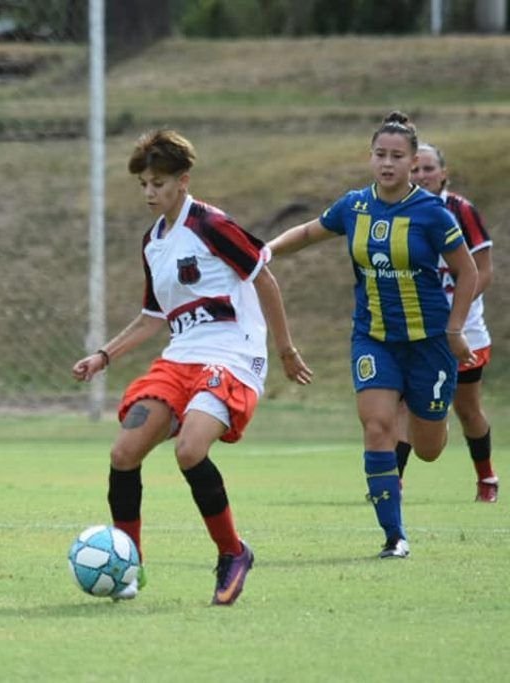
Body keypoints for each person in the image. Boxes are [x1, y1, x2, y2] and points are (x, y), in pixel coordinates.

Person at [72, 129, 312, 605]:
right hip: (181, 357)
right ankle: (128, 566)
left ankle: (233, 552)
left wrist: (285, 349)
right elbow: (151, 317)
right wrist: (103, 356)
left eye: (158, 183)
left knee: (190, 450)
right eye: (143, 184)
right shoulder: (152, 243)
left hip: (233, 355)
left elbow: (264, 279)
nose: (149, 193)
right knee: (123, 454)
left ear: (183, 181)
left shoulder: (212, 225)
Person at [267, 112, 479, 559]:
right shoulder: (354, 206)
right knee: (377, 425)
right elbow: (308, 232)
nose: (387, 163)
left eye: (397, 156)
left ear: (412, 162)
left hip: (429, 342)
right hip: (374, 337)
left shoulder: (432, 213)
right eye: (380, 154)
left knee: (429, 449)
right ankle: (394, 536)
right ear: (370, 157)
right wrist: (264, 252)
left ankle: (424, 415)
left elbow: (469, 271)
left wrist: (456, 329)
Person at [398, 143, 497, 503]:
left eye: (429, 169)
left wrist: (454, 312)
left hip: (464, 329)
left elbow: (483, 271)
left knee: (467, 408)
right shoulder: (399, 210)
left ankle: (486, 478)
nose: (422, 175)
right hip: (416, 326)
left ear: (443, 173)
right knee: (404, 404)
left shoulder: (460, 210)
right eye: (416, 169)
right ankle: (392, 482)